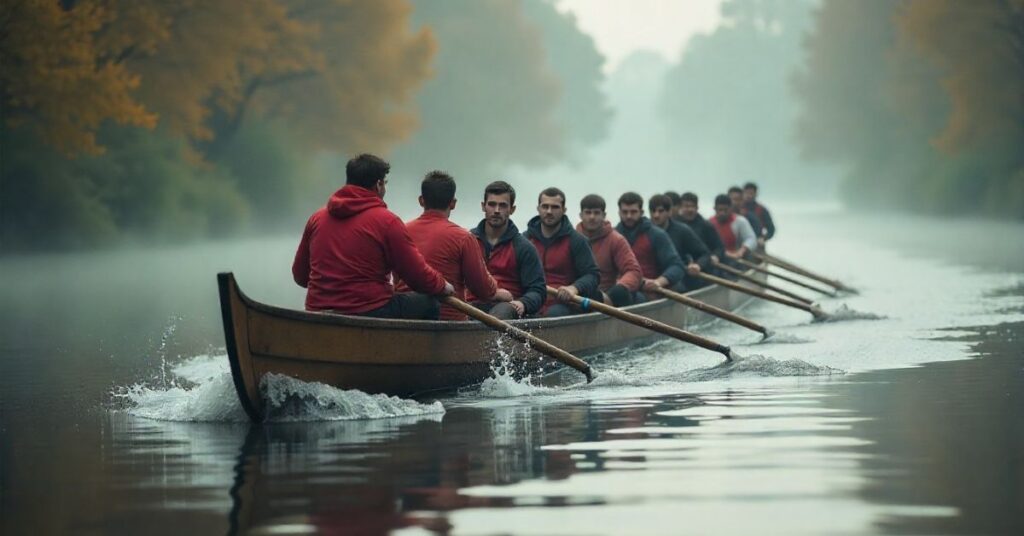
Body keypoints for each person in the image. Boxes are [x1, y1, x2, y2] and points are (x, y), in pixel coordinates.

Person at [292, 153, 454, 319]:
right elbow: (416, 275)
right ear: (378, 185)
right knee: (429, 303)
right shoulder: (387, 221)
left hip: (317, 311)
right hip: (369, 310)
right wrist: (441, 285)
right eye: (385, 183)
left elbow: (300, 276)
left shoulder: (317, 218)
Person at [398, 171, 513, 320]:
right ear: (453, 203)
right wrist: (498, 292)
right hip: (448, 320)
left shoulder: (401, 231)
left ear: (421, 200)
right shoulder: (464, 238)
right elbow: (482, 290)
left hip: (403, 318)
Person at [468, 181, 547, 319]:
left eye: (503, 205)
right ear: (483, 206)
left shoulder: (524, 247)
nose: (496, 210)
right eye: (492, 204)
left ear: (512, 209)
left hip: (506, 309)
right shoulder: (467, 240)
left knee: (503, 312)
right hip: (470, 305)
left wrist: (523, 303)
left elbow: (538, 290)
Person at [524, 187, 601, 317]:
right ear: (538, 208)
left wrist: (573, 288)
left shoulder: (577, 240)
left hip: (562, 304)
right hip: (531, 300)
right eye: (545, 206)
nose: (549, 211)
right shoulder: (525, 240)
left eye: (555, 207)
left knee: (555, 313)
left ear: (564, 210)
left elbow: (592, 275)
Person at [615, 192, 685, 300]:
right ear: (619, 213)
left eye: (633, 212)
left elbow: (677, 266)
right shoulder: (613, 236)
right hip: (620, 290)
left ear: (641, 212)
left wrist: (658, 282)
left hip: (649, 293)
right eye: (625, 212)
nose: (629, 216)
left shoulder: (657, 235)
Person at [576, 194, 643, 307]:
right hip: (577, 294)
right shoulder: (572, 240)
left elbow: (633, 271)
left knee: (623, 294)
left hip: (607, 297)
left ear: (604, 215)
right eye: (588, 212)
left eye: (596, 213)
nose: (592, 217)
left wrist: (620, 287)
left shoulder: (616, 240)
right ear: (581, 215)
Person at [648, 193, 710, 290]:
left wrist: (697, 265)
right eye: (653, 211)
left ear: (669, 212)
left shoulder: (682, 230)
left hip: (678, 279)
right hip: (650, 279)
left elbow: (704, 253)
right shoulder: (643, 231)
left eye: (661, 211)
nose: (656, 215)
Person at [676, 192, 725, 260]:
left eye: (693, 206)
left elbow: (719, 248)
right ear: (680, 207)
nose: (690, 209)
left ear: (697, 208)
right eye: (687, 206)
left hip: (702, 262)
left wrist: (716, 256)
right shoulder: (675, 225)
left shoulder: (706, 226)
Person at [710, 193, 757, 262]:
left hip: (737, 259)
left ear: (731, 208)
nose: (722, 213)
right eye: (720, 210)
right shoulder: (709, 223)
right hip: (715, 259)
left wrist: (741, 251)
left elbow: (751, 239)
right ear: (714, 208)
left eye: (725, 210)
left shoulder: (740, 221)